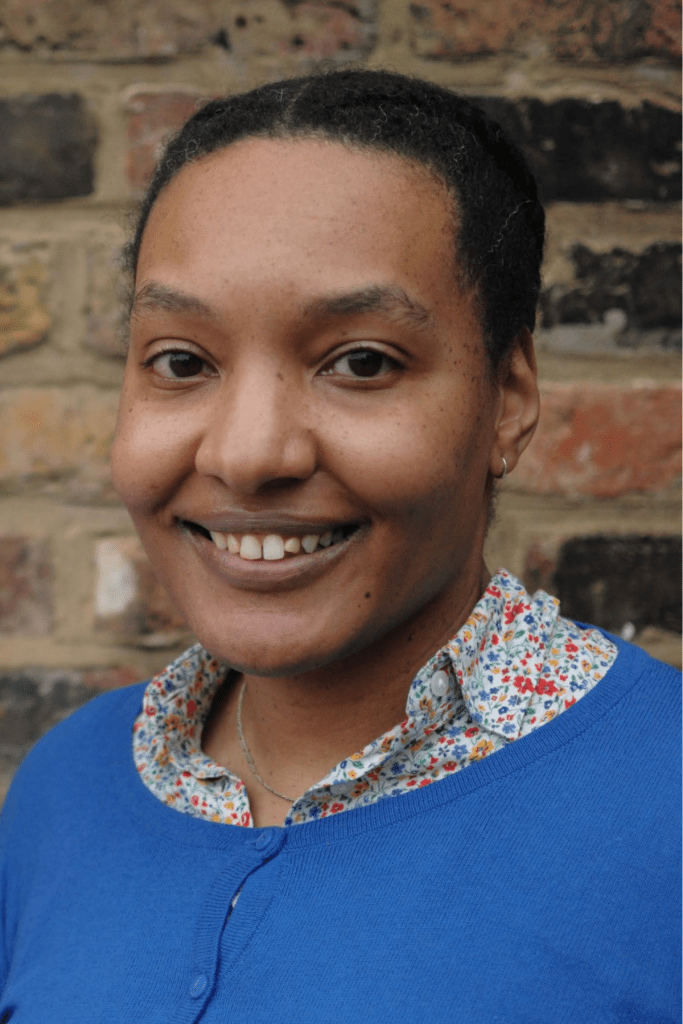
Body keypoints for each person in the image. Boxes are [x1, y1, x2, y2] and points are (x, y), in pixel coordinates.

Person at [0, 69, 679, 1023]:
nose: (247, 454)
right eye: (181, 361)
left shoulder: (663, 800)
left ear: (508, 400)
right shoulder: (68, 790)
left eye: (361, 363)